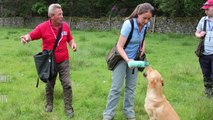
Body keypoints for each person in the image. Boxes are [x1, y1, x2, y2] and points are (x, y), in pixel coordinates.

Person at [20, 3, 77, 117]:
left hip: (64, 60)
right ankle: (49, 105)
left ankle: (68, 108)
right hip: (50, 62)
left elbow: (70, 38)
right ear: (52, 16)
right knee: (50, 84)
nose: (62, 16)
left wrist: (73, 44)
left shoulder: (65, 26)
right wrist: (26, 38)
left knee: (67, 84)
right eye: (59, 14)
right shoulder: (43, 27)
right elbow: (32, 35)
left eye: (62, 13)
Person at [103, 3, 154, 120]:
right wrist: (128, 60)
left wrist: (142, 48)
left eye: (149, 18)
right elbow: (119, 46)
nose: (146, 21)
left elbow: (143, 38)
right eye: (144, 18)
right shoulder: (128, 24)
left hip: (135, 59)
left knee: (131, 88)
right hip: (121, 57)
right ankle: (108, 114)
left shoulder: (146, 25)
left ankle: (129, 113)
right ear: (138, 14)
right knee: (116, 87)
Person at [195, 0, 213, 97]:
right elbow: (196, 33)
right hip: (204, 54)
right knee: (206, 74)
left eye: (207, 9)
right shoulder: (203, 20)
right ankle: (208, 94)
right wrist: (199, 35)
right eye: (204, 9)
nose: (205, 11)